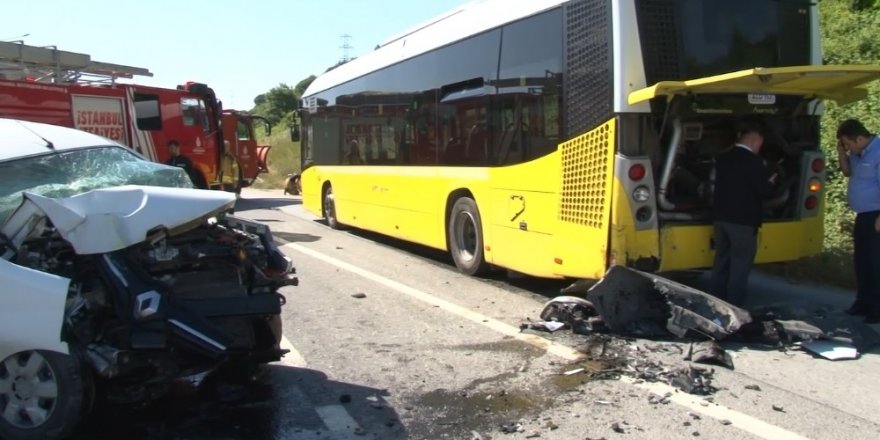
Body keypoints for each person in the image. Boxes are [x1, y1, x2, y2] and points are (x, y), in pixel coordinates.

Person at [710, 122, 777, 307]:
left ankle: (714, 301)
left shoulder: (723, 158)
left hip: (721, 219)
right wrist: (770, 182)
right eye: (759, 144)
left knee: (721, 260)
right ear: (754, 141)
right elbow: (764, 192)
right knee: (740, 264)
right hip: (743, 222)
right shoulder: (754, 162)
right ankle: (735, 304)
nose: (759, 148)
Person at [836, 119, 880, 323]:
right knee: (862, 262)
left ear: (861, 138)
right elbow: (847, 172)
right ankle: (862, 303)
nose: (848, 147)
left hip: (876, 215)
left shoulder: (878, 151)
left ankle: (876, 309)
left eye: (849, 143)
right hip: (863, 215)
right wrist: (841, 152)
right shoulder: (857, 153)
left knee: (875, 263)